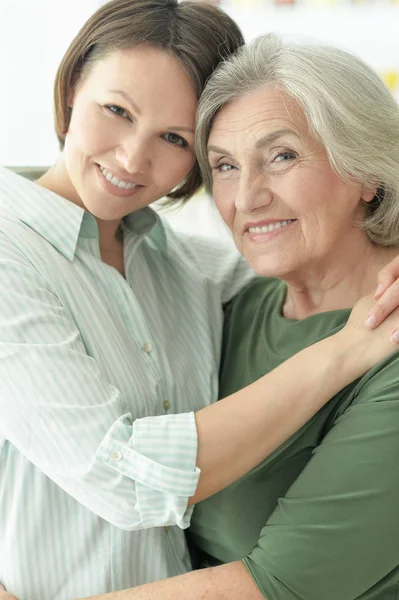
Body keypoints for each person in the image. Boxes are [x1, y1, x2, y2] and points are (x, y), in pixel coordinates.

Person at [1, 5, 399, 600]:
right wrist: (342, 353)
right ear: (70, 91)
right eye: (116, 110)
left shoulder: (196, 274)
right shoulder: (14, 254)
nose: (133, 159)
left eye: (173, 139)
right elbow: (125, 481)